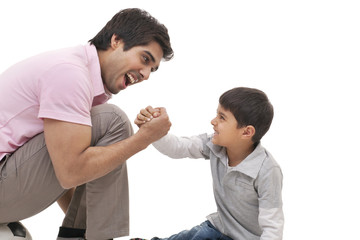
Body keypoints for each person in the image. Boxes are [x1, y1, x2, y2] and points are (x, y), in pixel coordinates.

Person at [0, 8, 173, 240]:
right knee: (113, 122)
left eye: (152, 69)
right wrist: (143, 139)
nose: (146, 74)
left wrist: (80, 227)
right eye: (145, 59)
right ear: (116, 40)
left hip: (9, 178)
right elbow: (70, 172)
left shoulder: (78, 73)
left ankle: (84, 236)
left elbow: (57, 159)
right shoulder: (70, 74)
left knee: (103, 125)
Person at [133, 87, 284, 240]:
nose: (213, 121)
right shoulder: (214, 144)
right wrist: (153, 131)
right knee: (195, 235)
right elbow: (178, 147)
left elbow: (272, 226)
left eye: (222, 117)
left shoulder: (267, 170)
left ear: (246, 132)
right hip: (218, 227)